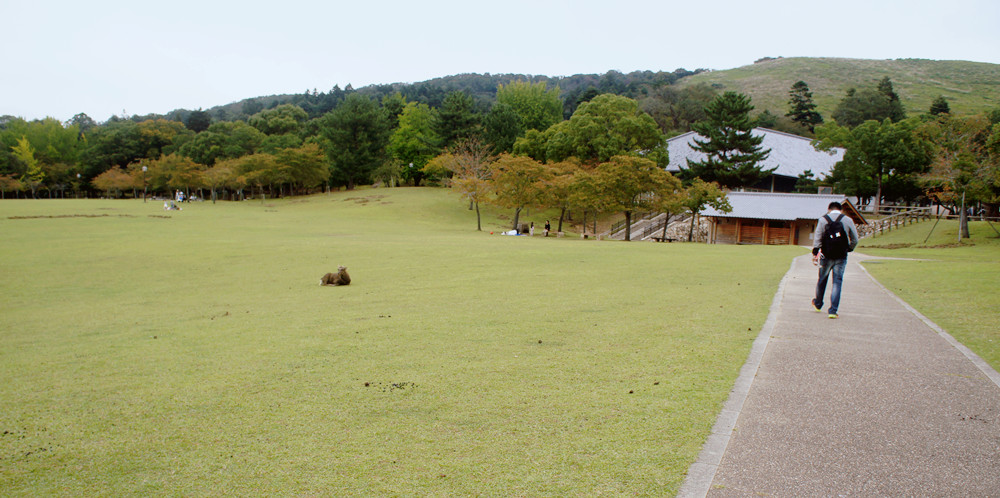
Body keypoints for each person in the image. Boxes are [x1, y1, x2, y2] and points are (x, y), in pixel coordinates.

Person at [811, 201, 859, 319]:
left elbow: (818, 238)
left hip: (826, 255)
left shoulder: (823, 220)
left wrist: (815, 253)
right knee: (837, 282)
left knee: (822, 279)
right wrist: (849, 248)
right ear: (841, 210)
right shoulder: (847, 220)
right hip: (841, 256)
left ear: (829, 209)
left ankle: (818, 303)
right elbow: (855, 239)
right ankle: (833, 310)